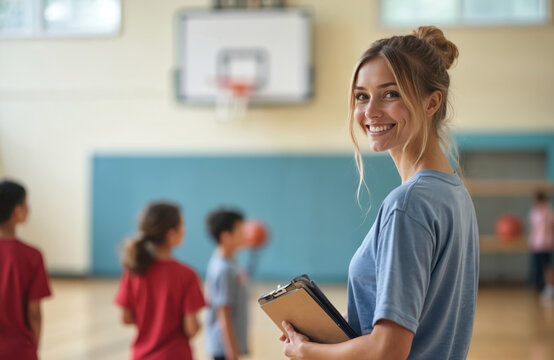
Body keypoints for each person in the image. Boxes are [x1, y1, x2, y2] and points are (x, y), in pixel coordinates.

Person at [281, 26, 479, 360]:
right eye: (361, 96)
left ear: (432, 102)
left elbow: (388, 349)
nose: (370, 110)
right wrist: (337, 334)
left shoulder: (408, 205)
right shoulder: (456, 193)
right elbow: (418, 323)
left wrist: (307, 352)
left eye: (390, 94)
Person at [115, 201, 206, 360]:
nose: (185, 231)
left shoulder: (133, 271)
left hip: (141, 355)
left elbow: (126, 318)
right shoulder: (187, 275)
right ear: (171, 234)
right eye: (182, 225)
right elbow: (191, 328)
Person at [0, 179, 52, 360]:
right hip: (18, 350)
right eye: (26, 204)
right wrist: (34, 350)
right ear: (17, 211)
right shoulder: (32, 256)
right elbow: (34, 314)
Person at [205, 208, 249, 360]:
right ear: (226, 236)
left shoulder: (231, 261)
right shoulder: (224, 269)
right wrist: (233, 354)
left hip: (228, 346)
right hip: (224, 348)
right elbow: (223, 314)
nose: (245, 234)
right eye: (240, 230)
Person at [528, 190, 554, 298]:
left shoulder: (548, 211)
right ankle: (540, 286)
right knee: (538, 266)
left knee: (546, 266)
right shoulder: (535, 212)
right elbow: (534, 228)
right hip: (536, 244)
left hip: (545, 243)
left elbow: (549, 227)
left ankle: (550, 287)